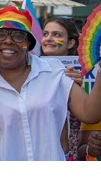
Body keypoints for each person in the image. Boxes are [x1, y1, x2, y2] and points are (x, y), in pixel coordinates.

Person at [0, 6, 101, 161]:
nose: (8, 40)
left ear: (28, 43)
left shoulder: (54, 72)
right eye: (0, 34)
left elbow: (90, 113)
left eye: (18, 35)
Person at [41, 16, 83, 160]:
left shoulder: (85, 73)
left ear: (70, 42)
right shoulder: (28, 69)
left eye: (57, 35)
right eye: (45, 34)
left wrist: (81, 89)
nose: (48, 38)